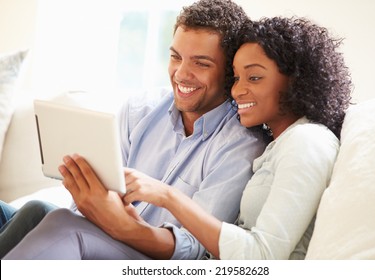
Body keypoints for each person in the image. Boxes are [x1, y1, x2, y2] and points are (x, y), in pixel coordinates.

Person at [3, 0, 265, 259]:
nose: (181, 74)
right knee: (34, 210)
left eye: (201, 63)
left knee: (59, 221)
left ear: (230, 72)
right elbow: (95, 206)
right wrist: (88, 196)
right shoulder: (141, 109)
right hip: (99, 234)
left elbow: (197, 248)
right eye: (175, 57)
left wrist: (126, 227)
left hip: (149, 258)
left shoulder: (240, 144)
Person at [112, 17, 353, 259]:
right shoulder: (279, 144)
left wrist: (167, 197)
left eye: (254, 77)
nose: (237, 91)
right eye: (236, 78)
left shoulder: (307, 141)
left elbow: (263, 257)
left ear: (297, 80)